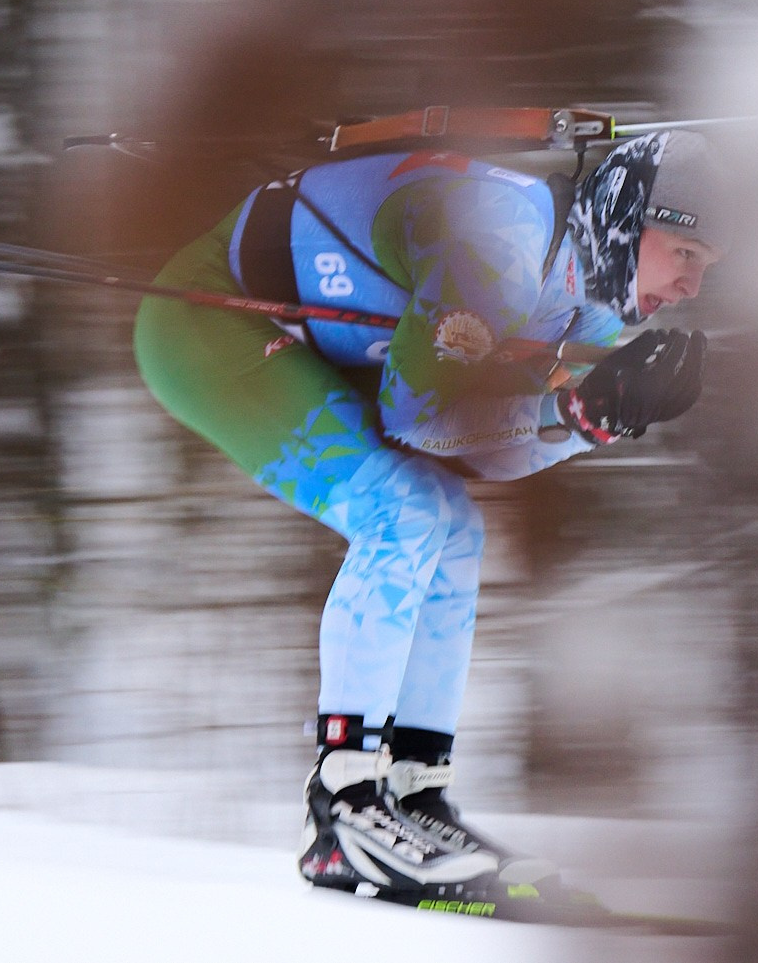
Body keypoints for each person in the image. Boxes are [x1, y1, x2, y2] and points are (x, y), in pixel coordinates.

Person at [131, 129, 724, 911]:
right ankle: (344, 805)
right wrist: (574, 411)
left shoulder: (594, 312)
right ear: (625, 219)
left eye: (705, 268)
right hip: (212, 320)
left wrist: (589, 420)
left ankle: (415, 795)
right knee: (402, 511)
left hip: (322, 347)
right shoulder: (499, 242)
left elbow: (488, 455)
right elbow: (421, 420)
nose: (690, 286)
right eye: (684, 252)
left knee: (452, 525)